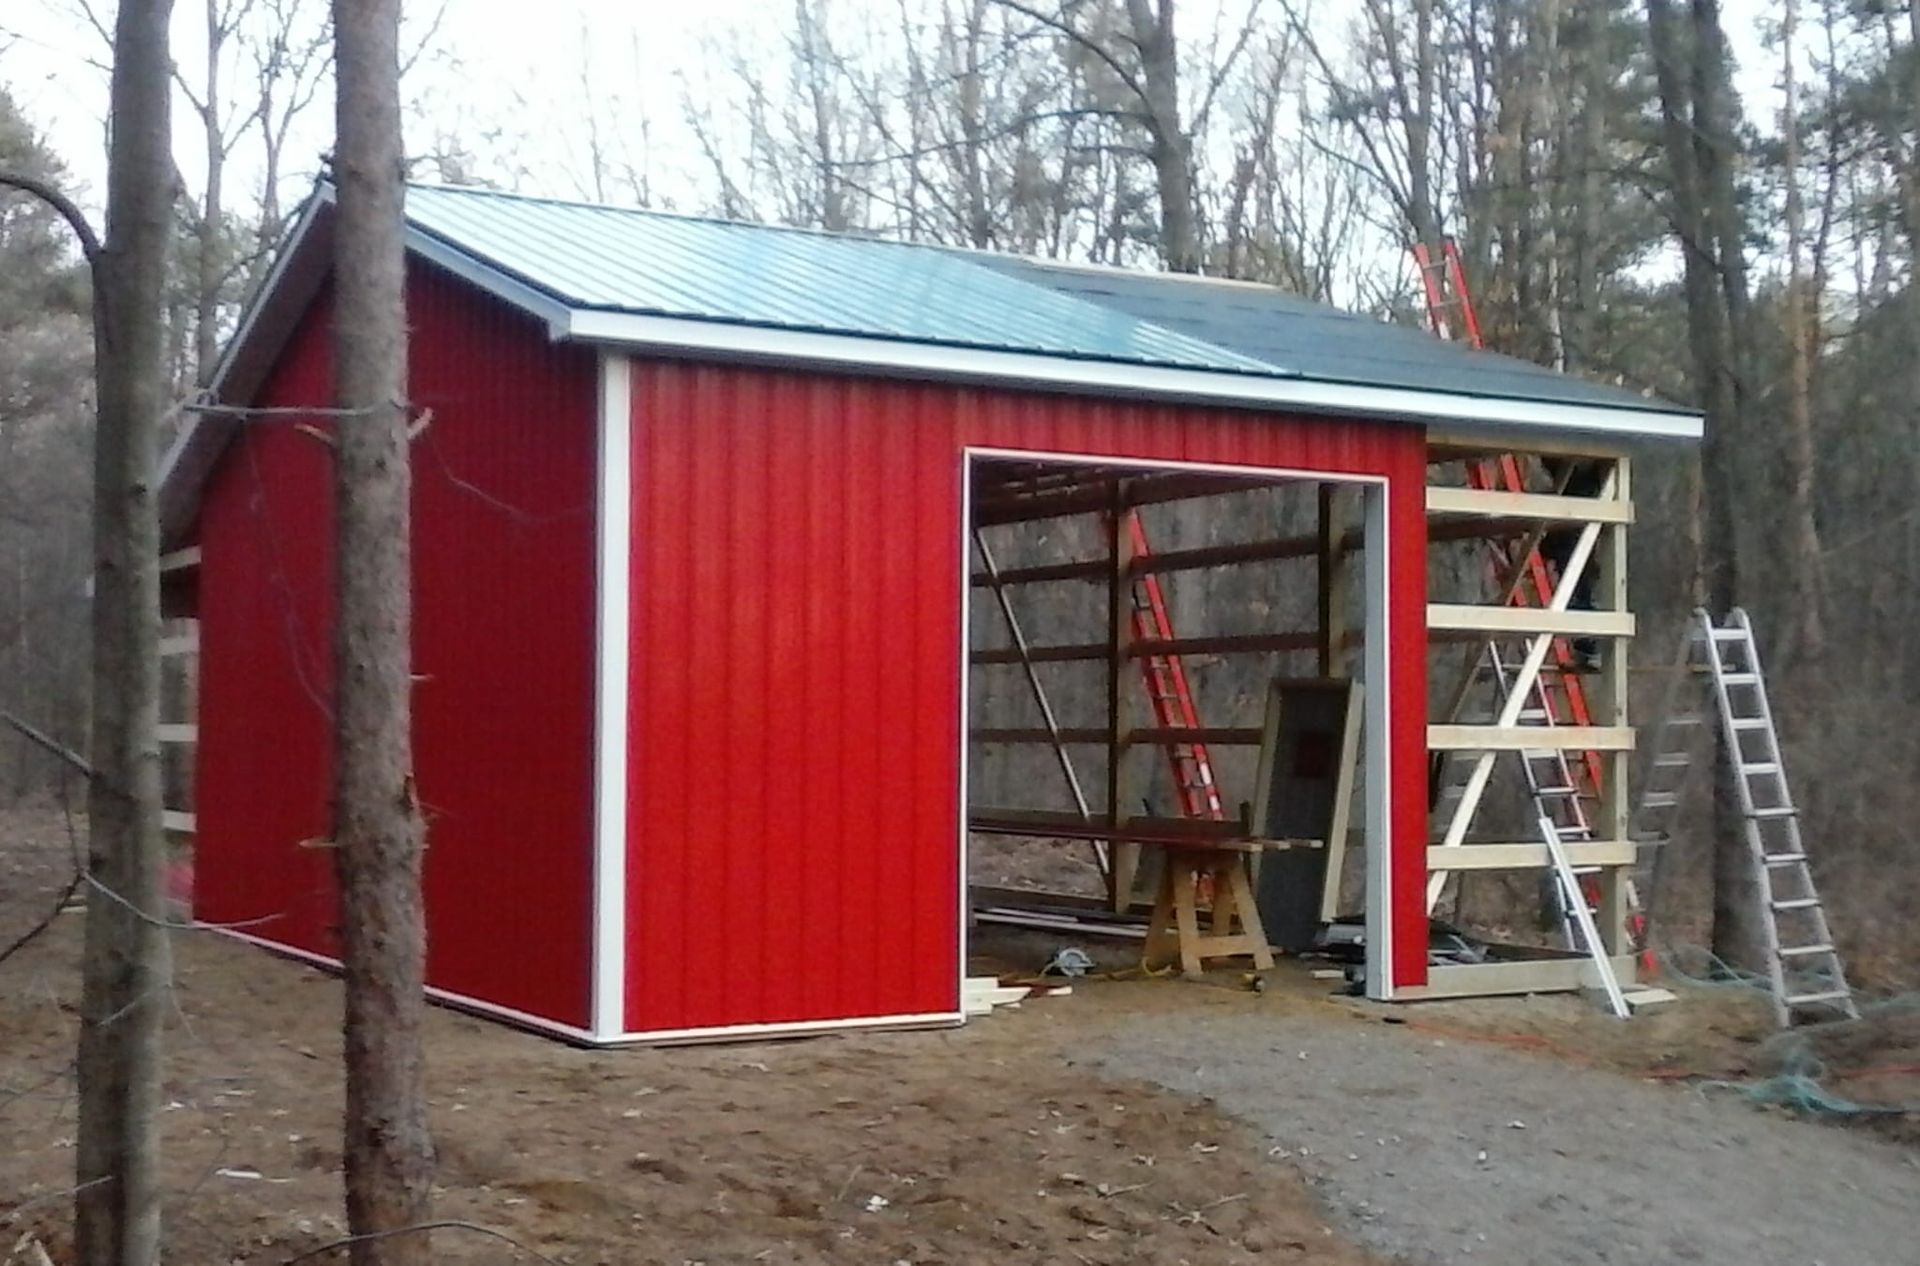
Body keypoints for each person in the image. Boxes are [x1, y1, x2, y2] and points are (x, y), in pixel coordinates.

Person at [1538, 457, 1608, 670]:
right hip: (1575, 539)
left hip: (1575, 544)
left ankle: (1588, 650)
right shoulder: (1581, 483)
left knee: (1580, 595)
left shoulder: (1578, 483)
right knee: (1580, 594)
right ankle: (1587, 650)